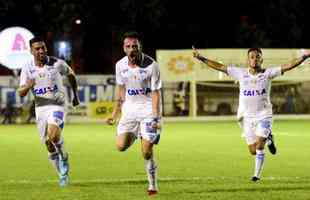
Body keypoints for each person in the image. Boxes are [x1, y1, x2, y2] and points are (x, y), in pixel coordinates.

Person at [192, 47, 310, 181]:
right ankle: (269, 139)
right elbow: (220, 67)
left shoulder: (268, 73)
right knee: (253, 150)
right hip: (246, 117)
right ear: (248, 60)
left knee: (260, 145)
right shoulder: (240, 73)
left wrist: (305, 56)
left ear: (262, 59)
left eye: (257, 57)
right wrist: (200, 57)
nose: (255, 59)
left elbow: (288, 66)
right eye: (252, 57)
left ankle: (256, 176)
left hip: (264, 115)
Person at [18, 36, 80, 187]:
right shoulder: (27, 67)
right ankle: (62, 175)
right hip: (40, 108)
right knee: (48, 143)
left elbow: (71, 74)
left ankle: (64, 157)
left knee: (53, 135)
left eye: (43, 48)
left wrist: (75, 95)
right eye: (37, 49)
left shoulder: (57, 63)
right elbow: (21, 92)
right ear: (31, 51)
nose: (41, 51)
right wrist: (28, 86)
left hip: (57, 104)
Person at [106, 31, 162, 195]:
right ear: (124, 48)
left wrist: (155, 117)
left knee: (146, 151)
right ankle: (140, 134)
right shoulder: (120, 65)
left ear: (140, 47)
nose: (131, 49)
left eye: (134, 46)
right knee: (120, 146)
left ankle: (152, 185)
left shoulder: (152, 65)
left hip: (147, 112)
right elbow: (121, 89)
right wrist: (115, 113)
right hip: (129, 112)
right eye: (128, 46)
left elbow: (155, 93)